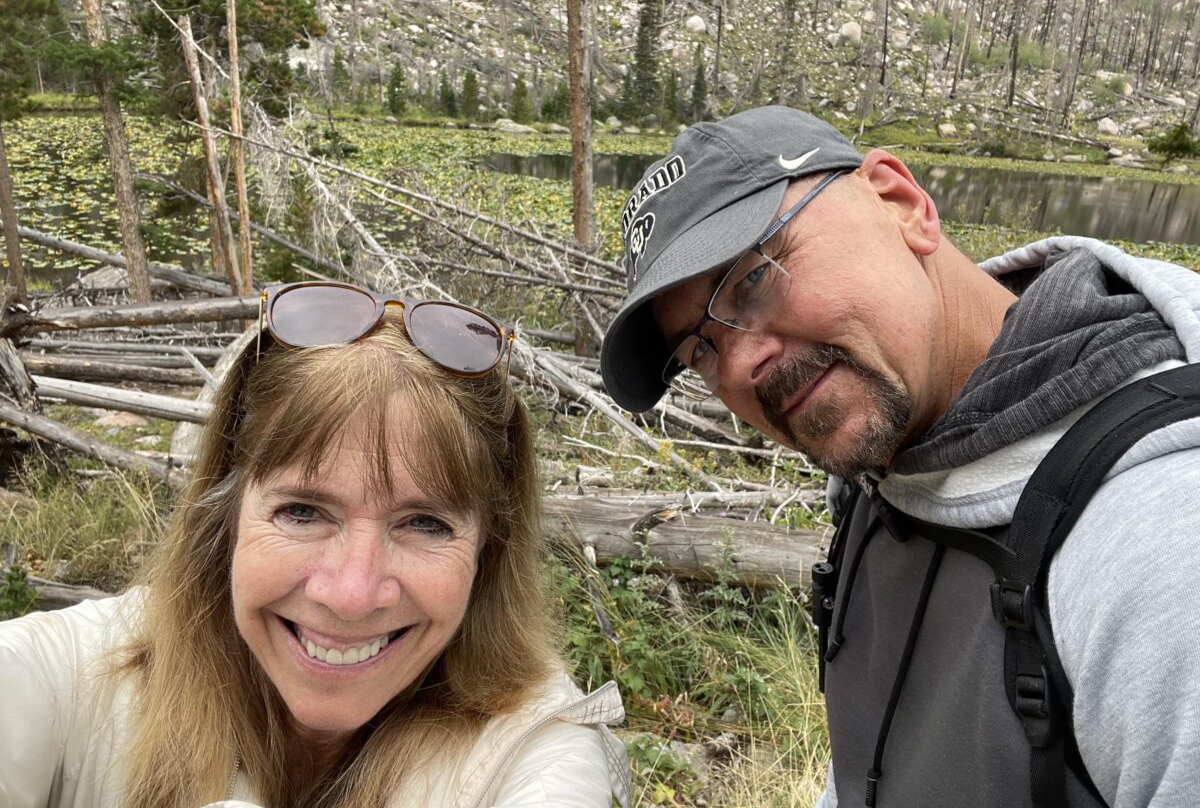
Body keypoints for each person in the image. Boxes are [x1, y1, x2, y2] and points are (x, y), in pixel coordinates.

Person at [600, 105, 1200, 807]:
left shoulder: (1162, 554)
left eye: (753, 279)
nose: (740, 367)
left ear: (903, 201)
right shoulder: (883, 467)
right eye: (698, 350)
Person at [0, 281, 631, 808]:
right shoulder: (73, 676)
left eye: (425, 524)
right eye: (302, 512)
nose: (352, 595)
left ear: (488, 553)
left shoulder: (532, 754)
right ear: (224, 516)